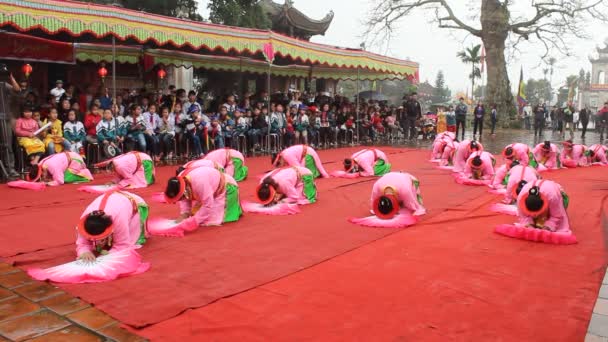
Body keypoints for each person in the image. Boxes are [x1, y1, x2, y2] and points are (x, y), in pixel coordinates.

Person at [159, 166, 242, 233]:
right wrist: (184, 214)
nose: (181, 199)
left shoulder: (199, 182)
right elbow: (184, 199)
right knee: (195, 214)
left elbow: (208, 205)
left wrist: (195, 221)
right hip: (211, 190)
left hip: (227, 187)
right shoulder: (181, 180)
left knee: (210, 220)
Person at [76, 191, 149, 261]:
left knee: (132, 240)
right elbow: (82, 243)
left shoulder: (119, 218)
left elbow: (122, 245)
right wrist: (85, 252)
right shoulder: (84, 221)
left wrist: (106, 256)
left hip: (134, 203)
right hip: (116, 202)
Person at [349, 172, 425, 228]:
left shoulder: (405, 190)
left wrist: (415, 209)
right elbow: (374, 200)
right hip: (391, 178)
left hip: (409, 178)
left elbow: (412, 204)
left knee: (408, 205)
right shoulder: (377, 186)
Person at [27, 151, 93, 186]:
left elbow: (60, 181)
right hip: (68, 157)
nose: (43, 178)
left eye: (41, 176)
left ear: (42, 171)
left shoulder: (52, 166)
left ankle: (85, 173)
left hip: (75, 160)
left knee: (66, 179)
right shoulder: (40, 164)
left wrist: (46, 183)